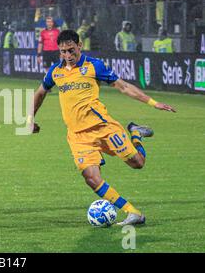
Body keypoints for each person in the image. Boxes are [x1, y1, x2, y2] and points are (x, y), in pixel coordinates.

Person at [28, 30, 176, 226]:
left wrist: (153, 103)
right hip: (78, 136)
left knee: (137, 163)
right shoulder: (56, 71)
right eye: (63, 52)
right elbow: (39, 93)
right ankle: (132, 212)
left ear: (79, 46)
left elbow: (122, 86)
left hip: (104, 128)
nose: (67, 56)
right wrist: (30, 119)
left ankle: (136, 133)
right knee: (91, 178)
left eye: (71, 50)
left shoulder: (93, 66)